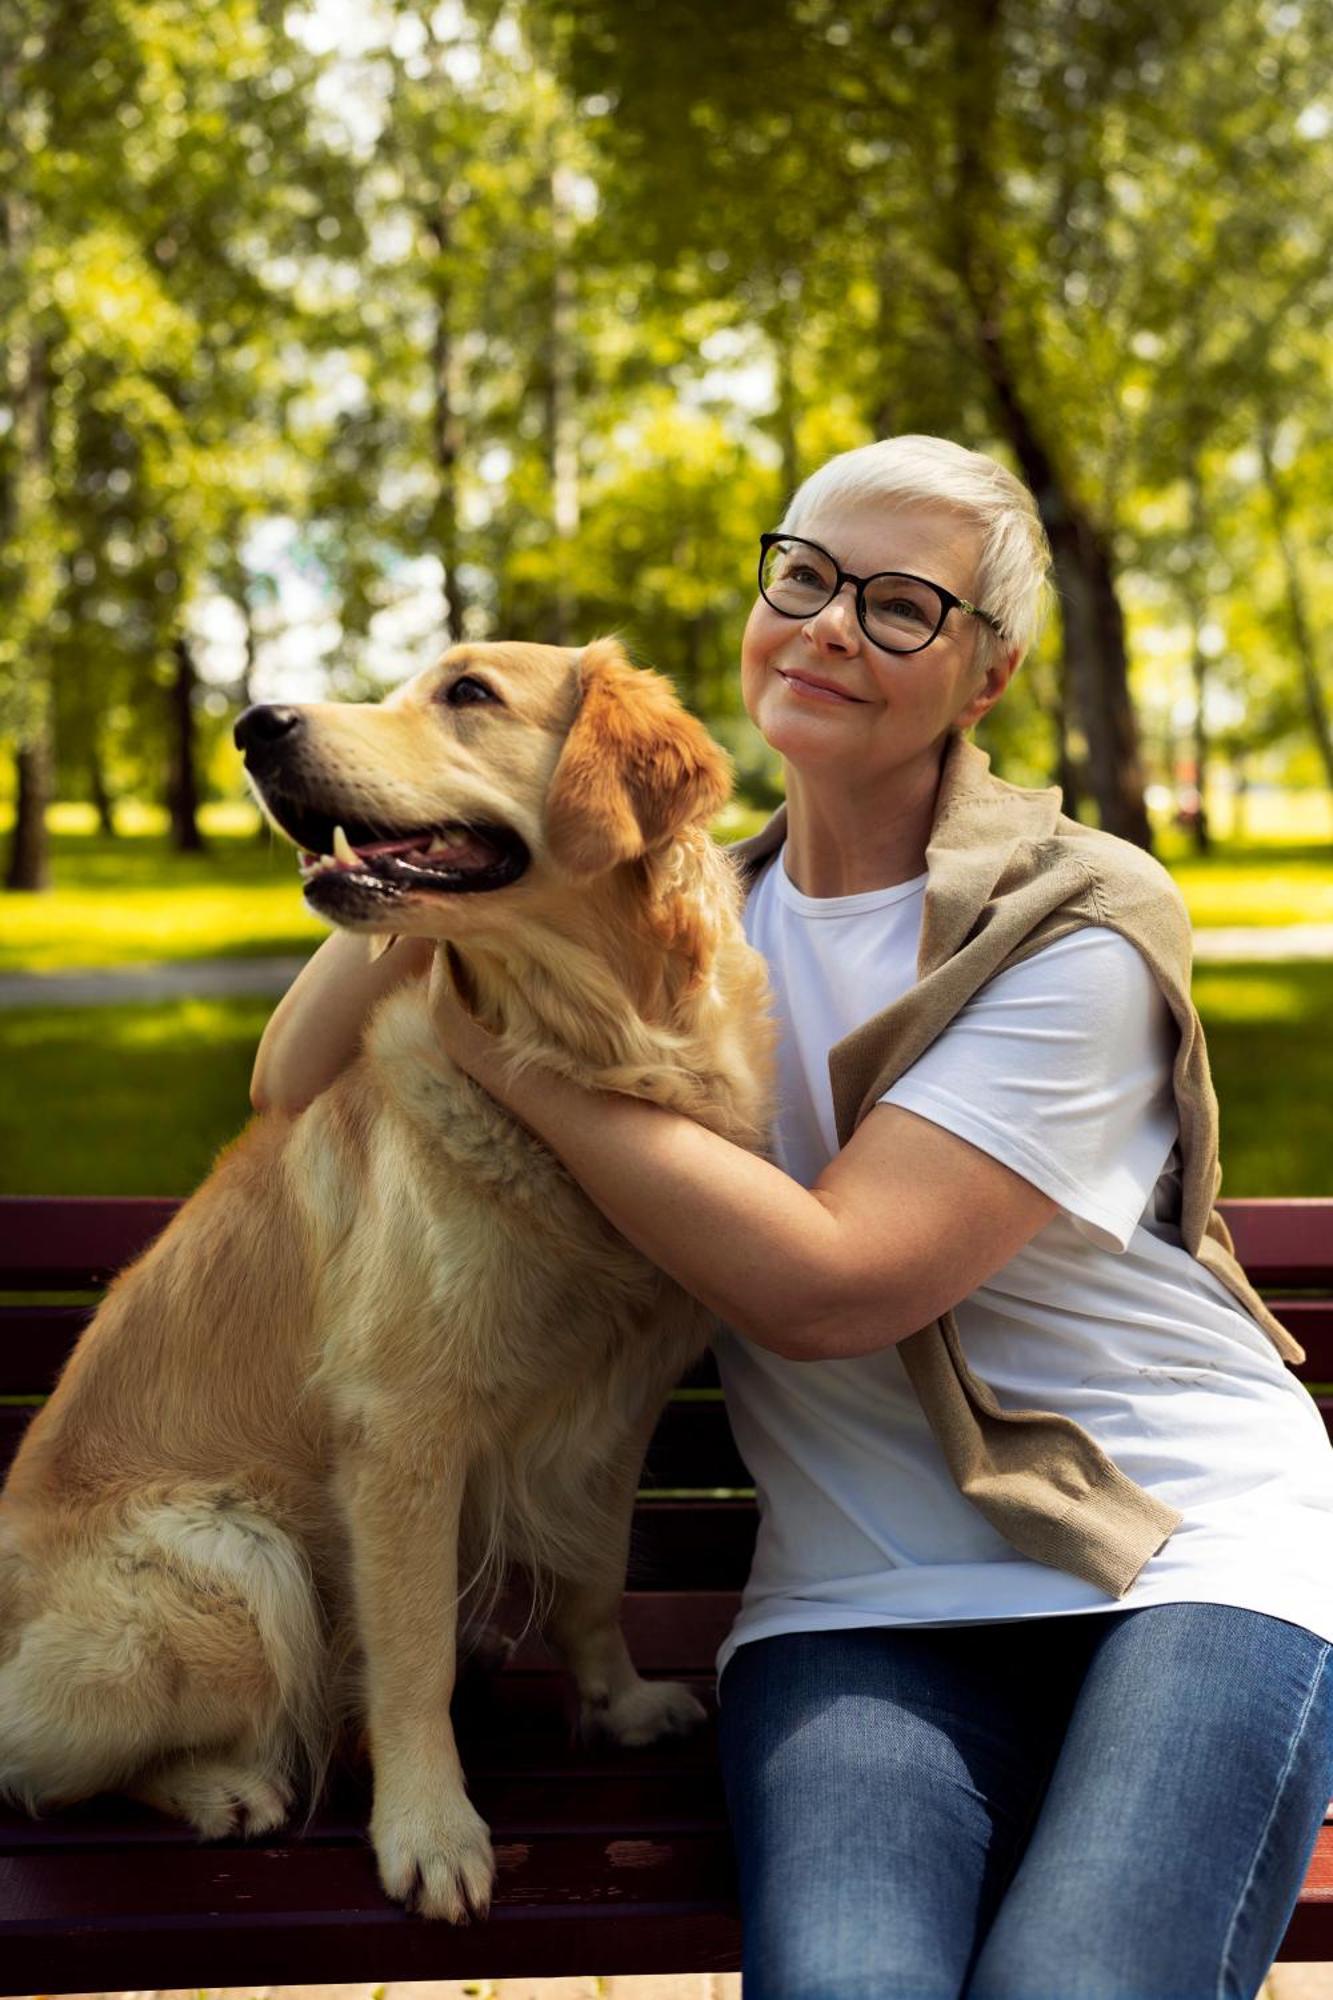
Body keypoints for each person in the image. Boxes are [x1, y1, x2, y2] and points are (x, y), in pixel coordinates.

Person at [251, 435, 1333, 1999]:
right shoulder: (672, 909)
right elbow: (291, 1077)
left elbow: (834, 1289)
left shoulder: (1075, 918)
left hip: (1179, 1559)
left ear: (985, 676)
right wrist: (422, 874)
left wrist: (516, 1062)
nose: (829, 625)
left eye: (900, 607)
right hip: (858, 1596)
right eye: (806, 578)